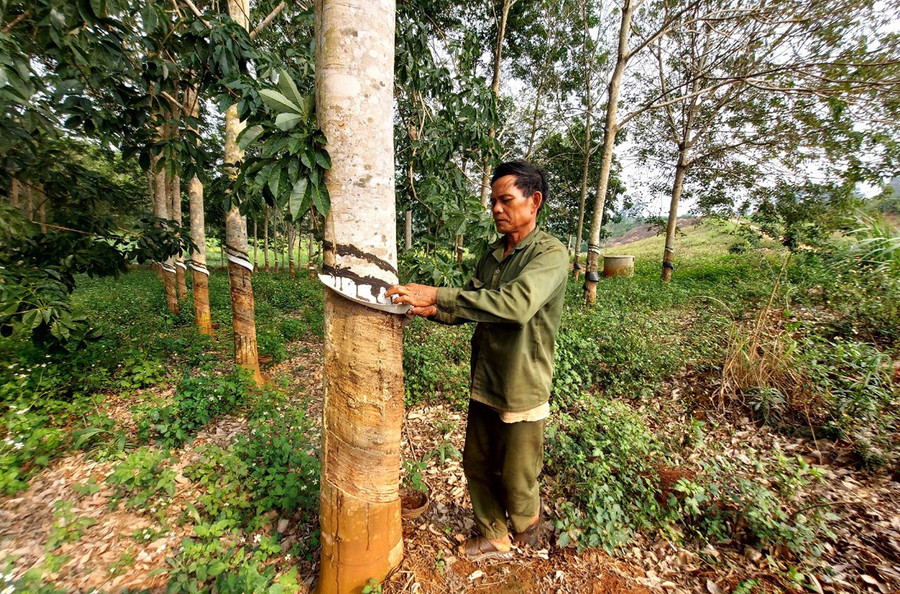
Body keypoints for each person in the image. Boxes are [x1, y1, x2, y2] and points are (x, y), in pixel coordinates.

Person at [386, 161, 568, 561]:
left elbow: (516, 306)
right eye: (493, 201)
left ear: (534, 201)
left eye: (506, 200)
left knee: (519, 474)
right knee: (477, 462)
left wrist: (437, 295)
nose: (497, 209)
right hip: (486, 377)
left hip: (521, 382)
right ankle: (495, 536)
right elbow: (472, 304)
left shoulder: (550, 254)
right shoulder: (492, 256)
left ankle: (527, 529)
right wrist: (432, 310)